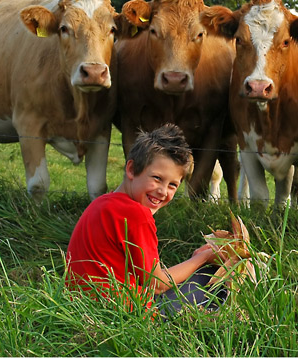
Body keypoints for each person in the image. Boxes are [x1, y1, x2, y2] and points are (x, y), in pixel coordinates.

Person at [65, 123, 228, 315]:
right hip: (125, 314)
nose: (162, 191)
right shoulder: (137, 214)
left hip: (85, 307)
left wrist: (195, 258)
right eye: (157, 178)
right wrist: (204, 258)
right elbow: (156, 284)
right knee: (210, 277)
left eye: (173, 185)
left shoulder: (103, 203)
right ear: (132, 169)